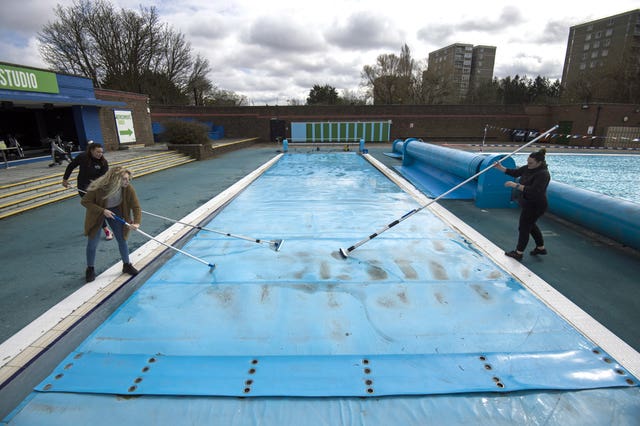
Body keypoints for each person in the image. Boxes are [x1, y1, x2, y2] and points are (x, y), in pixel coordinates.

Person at [81, 166, 141, 283]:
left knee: (122, 239)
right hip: (98, 212)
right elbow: (85, 201)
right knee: (92, 242)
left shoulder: (127, 188)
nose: (127, 182)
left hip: (115, 210)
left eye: (128, 179)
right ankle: (90, 268)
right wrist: (102, 211)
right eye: (124, 179)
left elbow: (136, 206)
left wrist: (137, 222)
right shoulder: (98, 188)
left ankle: (126, 264)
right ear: (115, 179)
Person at [494, 148, 550, 261]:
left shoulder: (543, 174)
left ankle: (518, 253)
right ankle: (540, 248)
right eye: (527, 162)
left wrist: (515, 185)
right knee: (531, 225)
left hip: (536, 205)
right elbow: (515, 172)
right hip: (528, 202)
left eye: (531, 163)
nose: (528, 164)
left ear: (539, 163)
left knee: (524, 227)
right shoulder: (529, 168)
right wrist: (501, 168)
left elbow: (534, 190)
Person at [62, 141, 113, 240]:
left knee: (94, 208)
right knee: (94, 207)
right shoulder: (82, 157)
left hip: (96, 187)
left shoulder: (103, 162)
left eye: (101, 152)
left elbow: (104, 178)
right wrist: (65, 179)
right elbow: (71, 166)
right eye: (98, 152)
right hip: (82, 186)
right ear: (91, 151)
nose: (100, 154)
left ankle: (95, 227)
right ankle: (107, 230)